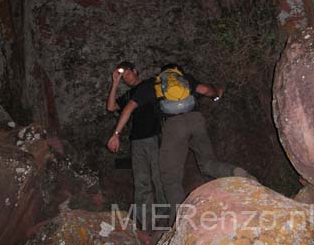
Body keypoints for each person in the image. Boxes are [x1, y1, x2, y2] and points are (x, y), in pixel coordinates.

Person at [109, 63, 256, 226]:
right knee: (208, 164)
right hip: (196, 120)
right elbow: (207, 90)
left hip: (173, 127)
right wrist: (217, 94)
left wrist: (116, 134)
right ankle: (237, 172)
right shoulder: (185, 79)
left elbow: (128, 108)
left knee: (170, 178)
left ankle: (180, 223)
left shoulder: (153, 85)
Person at [106, 61, 167, 238]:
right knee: (141, 182)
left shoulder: (147, 85)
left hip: (154, 137)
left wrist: (116, 133)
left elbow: (130, 108)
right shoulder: (128, 94)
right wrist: (115, 83)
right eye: (123, 75)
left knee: (158, 177)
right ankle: (144, 223)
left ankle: (165, 218)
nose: (126, 77)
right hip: (137, 141)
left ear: (136, 71)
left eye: (127, 74)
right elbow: (111, 107)